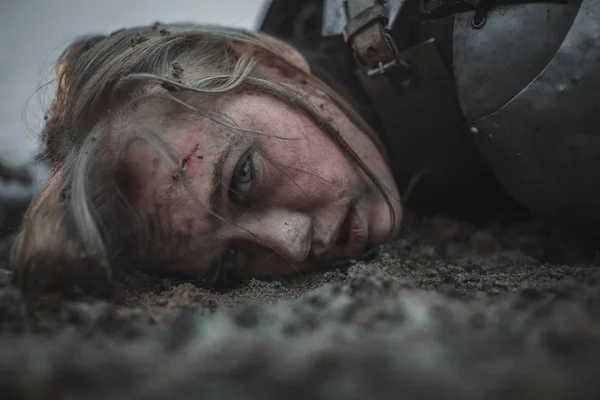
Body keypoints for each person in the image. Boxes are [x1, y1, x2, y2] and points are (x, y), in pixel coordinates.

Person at [10, 0, 600, 296]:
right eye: (229, 264)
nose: (291, 247)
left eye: (243, 178)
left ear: (276, 68)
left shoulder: (503, 37)